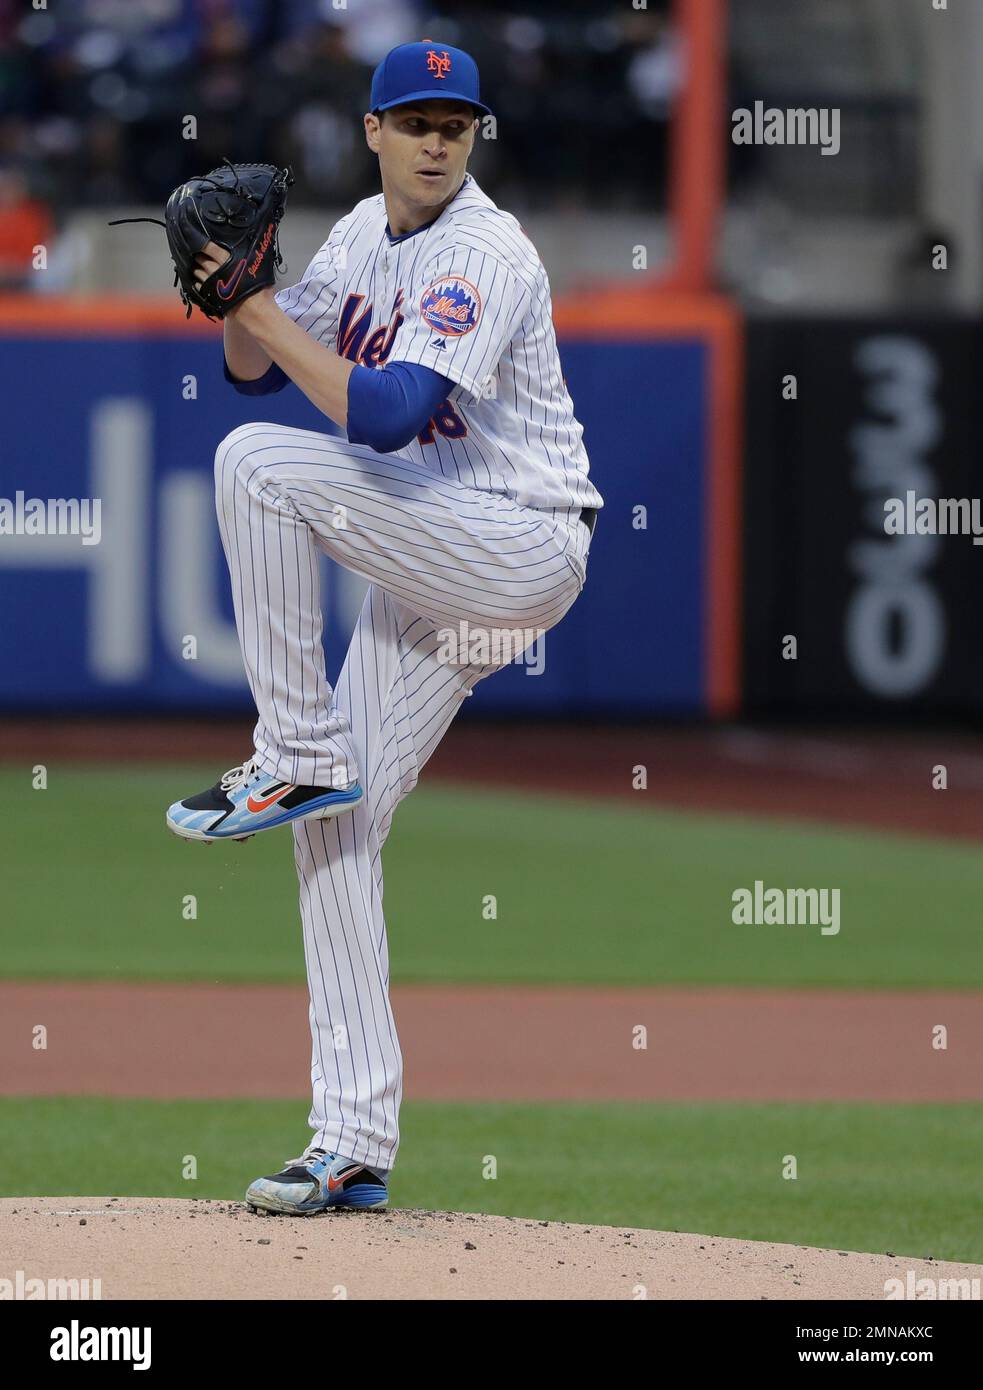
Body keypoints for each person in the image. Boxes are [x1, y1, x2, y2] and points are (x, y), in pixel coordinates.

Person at [165, 40, 603, 1215]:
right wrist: (230, 294)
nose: (434, 138)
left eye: (453, 120)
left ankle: (292, 752)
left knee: (254, 466)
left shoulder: (482, 250)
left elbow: (390, 413)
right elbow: (258, 371)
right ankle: (349, 1142)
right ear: (371, 132)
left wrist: (251, 296)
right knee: (338, 830)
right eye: (412, 119)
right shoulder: (362, 234)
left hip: (517, 541)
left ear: (473, 134)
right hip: (436, 552)